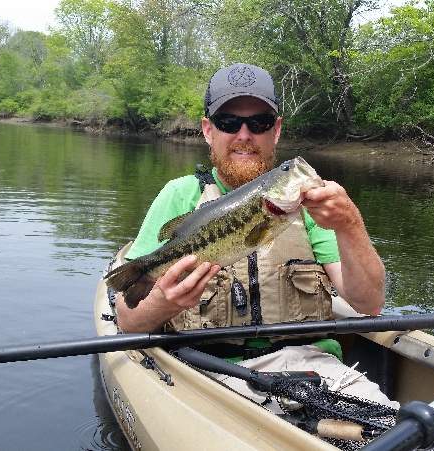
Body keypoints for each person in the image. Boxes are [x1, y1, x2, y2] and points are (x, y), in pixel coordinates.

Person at [113, 63, 393, 412]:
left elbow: (369, 305)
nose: (244, 134)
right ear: (207, 130)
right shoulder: (178, 196)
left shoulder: (312, 206)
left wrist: (350, 224)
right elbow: (127, 321)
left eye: (258, 123)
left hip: (310, 371)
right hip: (201, 371)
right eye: (229, 123)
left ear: (275, 131)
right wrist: (166, 302)